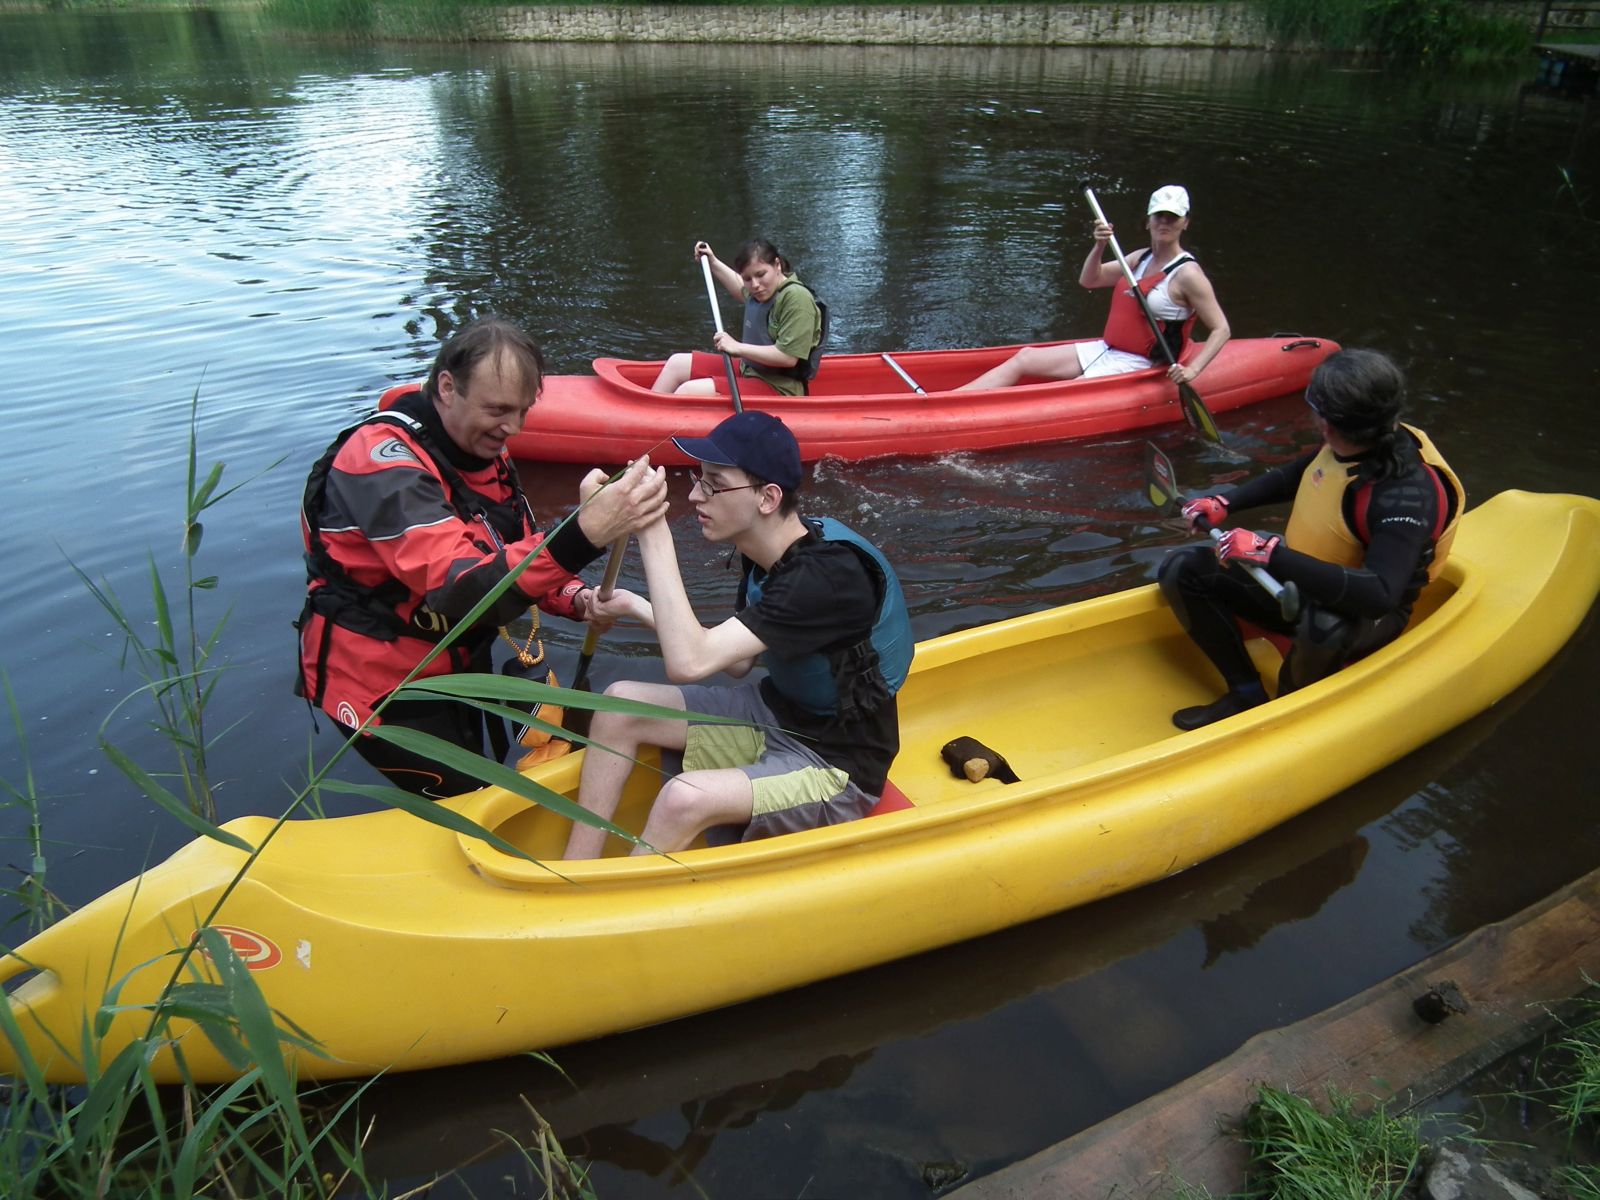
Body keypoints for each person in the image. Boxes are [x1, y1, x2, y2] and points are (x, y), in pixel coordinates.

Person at [296, 317, 669, 798]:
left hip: (454, 665)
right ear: (447, 387)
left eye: (522, 411)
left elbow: (509, 547)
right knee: (466, 806)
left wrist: (576, 599)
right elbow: (460, 589)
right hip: (380, 687)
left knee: (484, 786)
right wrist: (583, 532)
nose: (512, 428)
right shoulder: (381, 463)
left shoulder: (484, 449)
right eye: (497, 410)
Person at [562, 411, 911, 859]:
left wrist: (650, 525)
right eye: (698, 479)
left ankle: (615, 896)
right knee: (617, 706)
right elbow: (736, 661)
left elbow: (689, 663)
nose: (695, 495)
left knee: (683, 797)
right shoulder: (767, 551)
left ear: (767, 498)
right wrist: (632, 604)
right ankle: (574, 870)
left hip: (837, 765)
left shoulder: (822, 579)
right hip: (776, 715)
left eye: (714, 484)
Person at [1156, 348, 1465, 730]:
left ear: (1325, 422)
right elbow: (1299, 474)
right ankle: (1245, 693)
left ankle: (1285, 717)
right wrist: (1225, 502)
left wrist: (1268, 553)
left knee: (1324, 624)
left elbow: (1380, 595)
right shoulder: (1354, 439)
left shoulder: (1404, 498)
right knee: (1182, 568)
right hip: (1301, 583)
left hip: (1366, 614)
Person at [957, 185, 1230, 391]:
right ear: (1148, 220)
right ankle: (953, 399)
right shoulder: (1139, 258)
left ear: (1185, 222)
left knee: (1070, 390)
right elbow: (1090, 280)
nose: (1164, 223)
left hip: (1141, 362)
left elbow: (1221, 329)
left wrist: (1192, 371)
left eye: (1173, 217)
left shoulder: (1188, 274)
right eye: (1159, 216)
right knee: (1025, 358)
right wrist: (1099, 245)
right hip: (1108, 348)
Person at [650, 239, 826, 397]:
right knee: (676, 364)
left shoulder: (796, 298)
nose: (755, 285)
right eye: (748, 278)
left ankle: (662, 420)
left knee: (688, 391)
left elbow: (788, 357)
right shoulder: (761, 292)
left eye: (761, 274)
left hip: (779, 388)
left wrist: (737, 347)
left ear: (777, 265)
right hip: (750, 371)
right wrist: (713, 262)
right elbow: (740, 288)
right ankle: (650, 413)